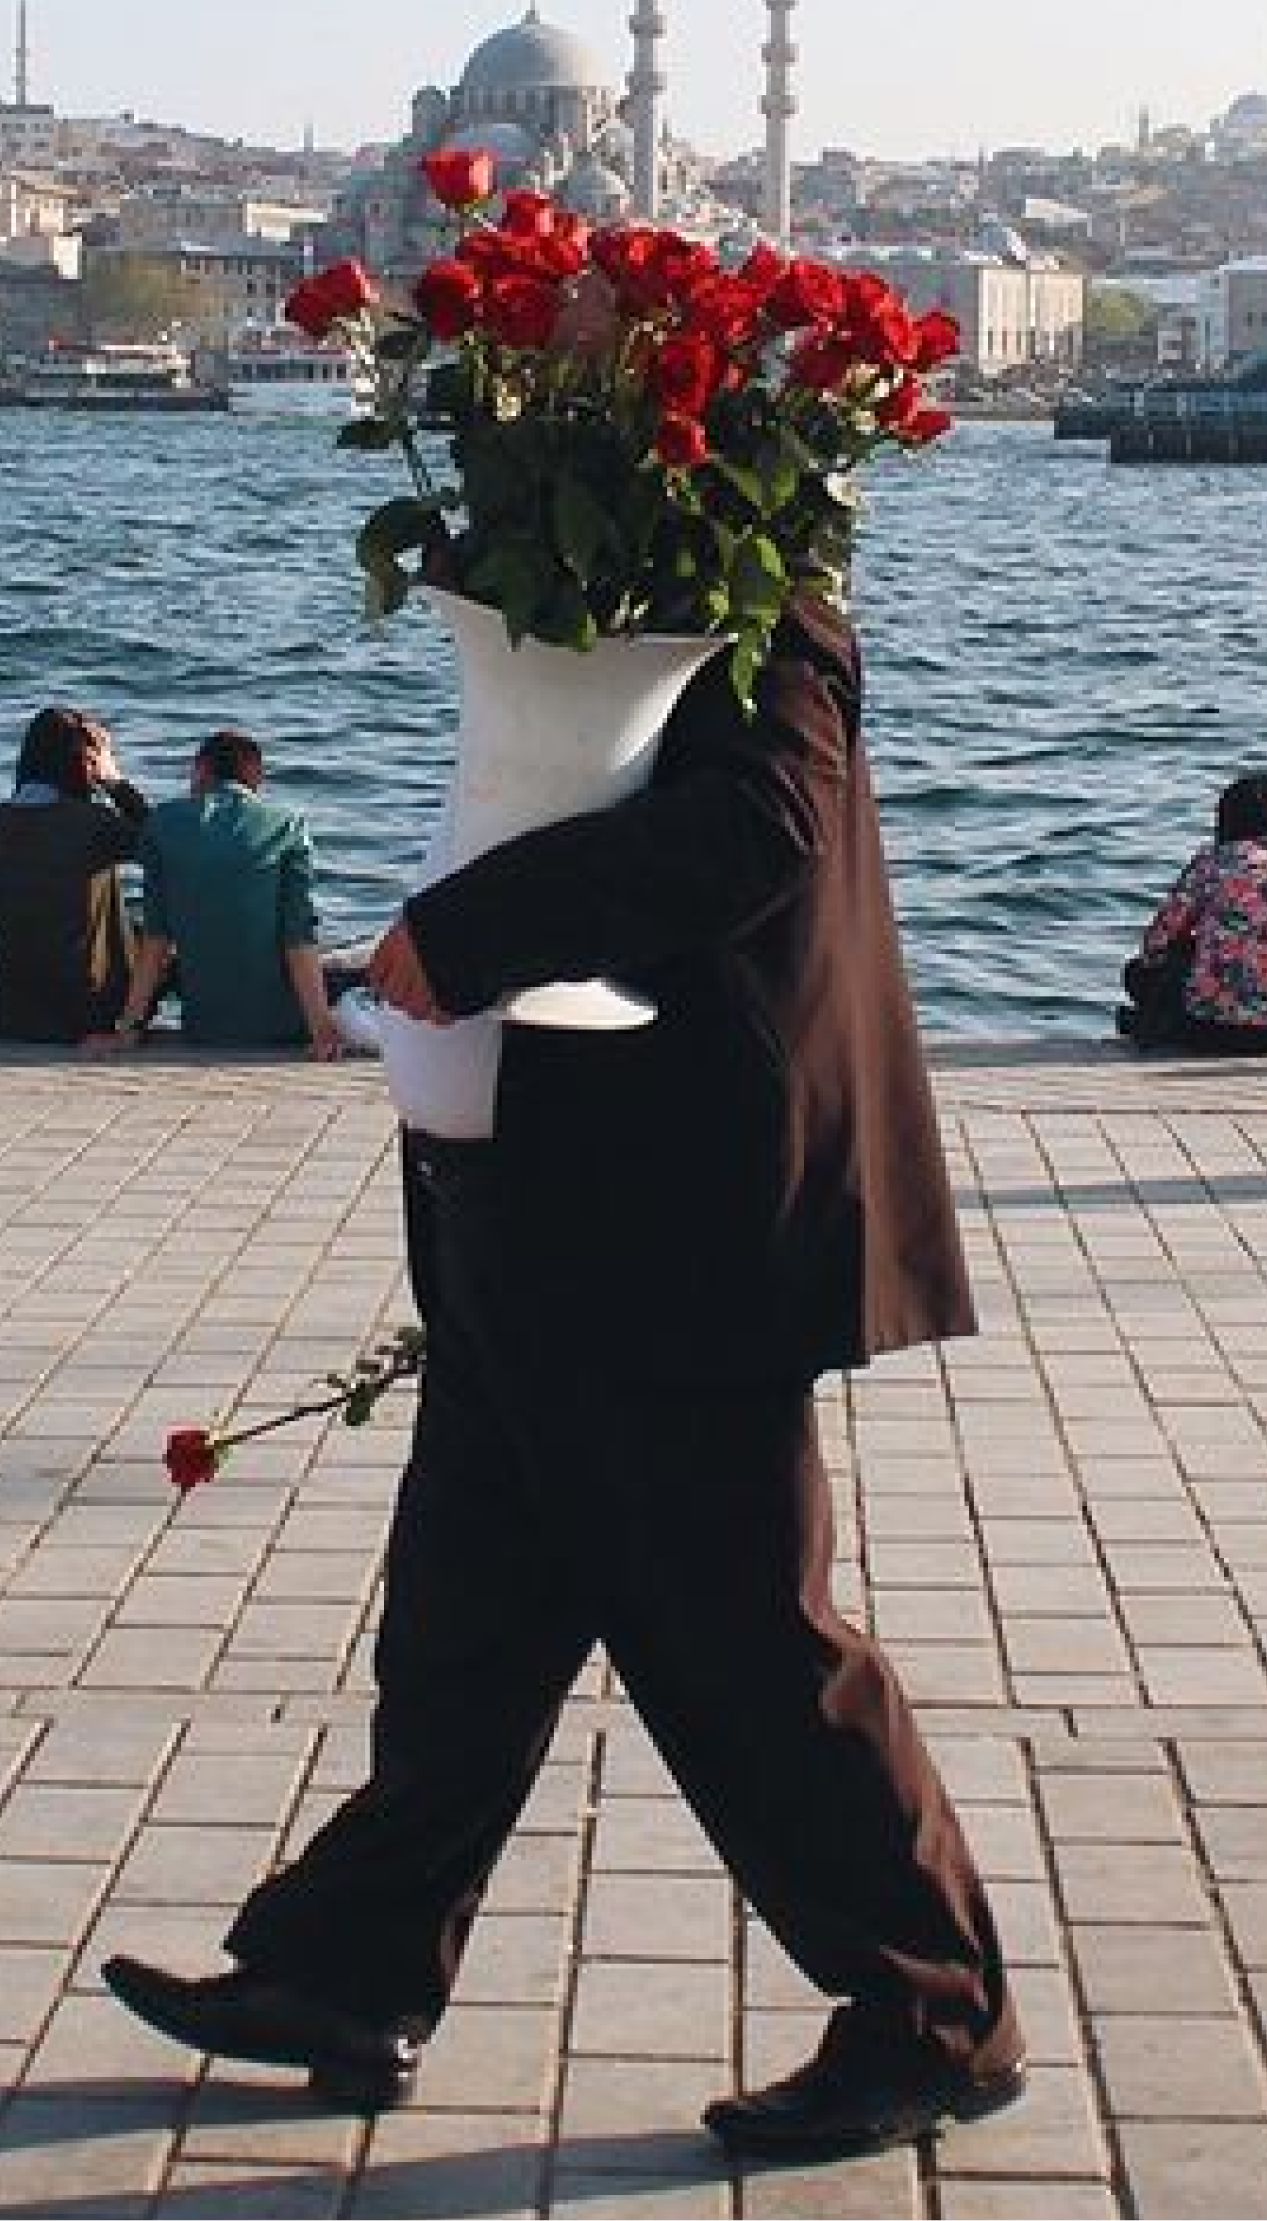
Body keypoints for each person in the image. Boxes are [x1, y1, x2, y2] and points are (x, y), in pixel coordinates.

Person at [98, 598, 1021, 2165]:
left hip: (672, 1220)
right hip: (539, 1198)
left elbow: (763, 820)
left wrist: (467, 932)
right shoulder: (589, 527)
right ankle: (348, 1968)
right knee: (467, 1612)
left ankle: (937, 2011)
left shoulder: (753, 560)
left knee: (739, 1627)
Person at [93, 729, 343, 1058]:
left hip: (205, 1026)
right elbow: (298, 939)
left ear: (200, 769)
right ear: (258, 778)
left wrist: (127, 1030)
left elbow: (156, 939)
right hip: (281, 1024)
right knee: (358, 962)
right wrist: (322, 1032)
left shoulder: (164, 823)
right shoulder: (286, 825)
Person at [1115, 768, 1267, 1056]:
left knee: (1139, 975)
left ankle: (1158, 1025)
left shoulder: (1213, 863)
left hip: (1218, 1030)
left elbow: (1156, 944)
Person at [0, 706, 147, 1043]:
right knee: (161, 947)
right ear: (86, 764)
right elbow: (163, 845)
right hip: (80, 1013)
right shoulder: (93, 823)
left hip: (0, 1009)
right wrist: (116, 782)